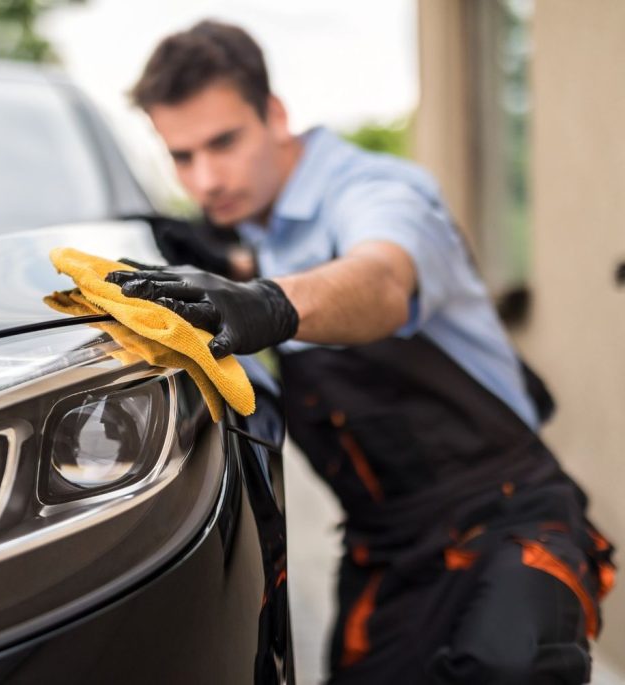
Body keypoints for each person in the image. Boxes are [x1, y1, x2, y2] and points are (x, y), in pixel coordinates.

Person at [106, 20, 615, 684]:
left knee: (511, 669)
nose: (206, 179)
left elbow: (382, 279)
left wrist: (268, 302)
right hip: (386, 554)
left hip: (507, 520)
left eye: (224, 142)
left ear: (275, 114)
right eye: (182, 157)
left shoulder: (375, 191)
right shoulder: (258, 230)